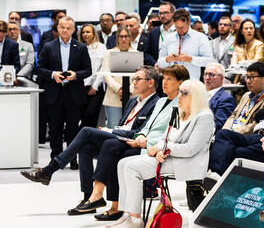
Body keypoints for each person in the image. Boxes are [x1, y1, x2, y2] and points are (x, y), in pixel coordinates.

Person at [20, 67, 160, 214]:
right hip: (118, 136)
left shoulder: (156, 104)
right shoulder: (132, 102)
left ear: (150, 83)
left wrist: (110, 130)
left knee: (86, 131)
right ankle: (89, 198)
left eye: (138, 79)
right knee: (85, 148)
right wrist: (111, 129)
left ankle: (49, 170)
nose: (134, 83)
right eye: (134, 79)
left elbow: (139, 133)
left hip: (132, 142)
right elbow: (124, 124)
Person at [108, 79, 215, 228]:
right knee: (123, 163)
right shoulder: (180, 112)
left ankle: (136, 218)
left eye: (185, 93)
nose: (179, 96)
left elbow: (191, 149)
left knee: (132, 168)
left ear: (197, 96)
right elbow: (165, 137)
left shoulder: (204, 117)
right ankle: (127, 214)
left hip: (187, 162)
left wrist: (160, 148)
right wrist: (160, 149)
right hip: (168, 157)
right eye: (180, 92)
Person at [37, 16, 92, 160]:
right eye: (62, 27)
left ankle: (72, 159)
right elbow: (40, 68)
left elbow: (88, 70)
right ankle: (56, 159)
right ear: (57, 28)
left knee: (73, 129)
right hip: (55, 93)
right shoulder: (48, 46)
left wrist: (76, 75)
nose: (65, 31)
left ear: (73, 30)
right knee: (55, 129)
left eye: (68, 28)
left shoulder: (80, 47)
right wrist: (53, 74)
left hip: (74, 93)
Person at [219, 62, 264, 139]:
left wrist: (231, 134)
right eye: (247, 77)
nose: (248, 81)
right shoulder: (246, 95)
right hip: (230, 133)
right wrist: (225, 130)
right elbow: (234, 115)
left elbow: (257, 124)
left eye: (251, 77)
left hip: (245, 138)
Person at [157, 8, 214, 80]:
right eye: (177, 27)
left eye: (183, 27)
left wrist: (191, 59)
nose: (180, 30)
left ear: (189, 22)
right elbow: (159, 62)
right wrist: (167, 59)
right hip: (171, 83)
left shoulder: (200, 38)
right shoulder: (168, 38)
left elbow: (209, 61)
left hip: (191, 84)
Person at [101, 28, 138, 128]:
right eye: (121, 36)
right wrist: (119, 89)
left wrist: (128, 90)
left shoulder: (136, 53)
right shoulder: (109, 53)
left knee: (130, 127)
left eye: (126, 36)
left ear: (130, 38)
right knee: (113, 126)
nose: (124, 39)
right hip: (113, 96)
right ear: (117, 38)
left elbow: (139, 76)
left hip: (132, 96)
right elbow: (106, 74)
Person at [79, 23, 107, 129]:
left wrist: (94, 86)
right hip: (81, 86)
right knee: (82, 114)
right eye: (83, 32)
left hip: (96, 87)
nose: (85, 34)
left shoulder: (101, 47)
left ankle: (87, 138)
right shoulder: (79, 47)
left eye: (88, 32)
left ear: (93, 33)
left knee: (91, 114)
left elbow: (103, 68)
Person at [203, 62, 236, 132]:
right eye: (205, 74)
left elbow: (219, 125)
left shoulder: (226, 99)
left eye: (211, 75)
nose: (207, 78)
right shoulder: (198, 94)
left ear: (221, 78)